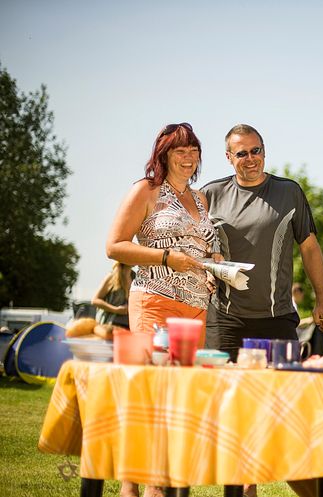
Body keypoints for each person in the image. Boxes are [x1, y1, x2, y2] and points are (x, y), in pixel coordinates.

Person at [106, 122, 221, 497]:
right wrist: (166, 257)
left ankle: (160, 482)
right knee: (150, 396)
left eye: (193, 150)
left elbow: (204, 249)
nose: (188, 157)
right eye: (179, 151)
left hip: (195, 311)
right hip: (155, 302)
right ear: (164, 155)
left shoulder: (201, 199)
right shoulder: (146, 191)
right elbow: (115, 246)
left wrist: (217, 265)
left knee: (179, 400)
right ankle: (135, 486)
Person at [201, 124, 323, 362]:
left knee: (281, 394)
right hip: (224, 319)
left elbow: (310, 248)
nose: (251, 158)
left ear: (264, 151)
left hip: (278, 318)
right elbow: (196, 248)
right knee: (221, 393)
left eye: (256, 150)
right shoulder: (211, 194)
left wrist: (322, 301)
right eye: (241, 153)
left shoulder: (289, 192)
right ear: (229, 157)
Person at [91, 261, 135, 329]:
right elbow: (95, 300)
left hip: (129, 326)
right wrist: (116, 310)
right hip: (110, 325)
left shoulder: (135, 278)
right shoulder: (112, 276)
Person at [293, 282, 323, 356]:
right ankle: (317, 354)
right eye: (302, 295)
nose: (302, 297)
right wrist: (310, 320)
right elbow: (294, 324)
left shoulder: (293, 304)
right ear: (297, 292)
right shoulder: (292, 304)